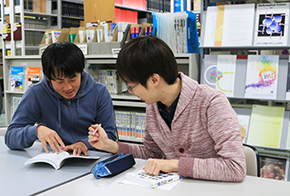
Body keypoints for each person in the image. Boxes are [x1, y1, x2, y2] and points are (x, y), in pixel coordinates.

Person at [88, 35, 246, 182]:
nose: (131, 92)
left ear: (154, 80)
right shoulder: (154, 106)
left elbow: (235, 167)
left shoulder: (211, 103)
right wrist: (110, 145)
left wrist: (174, 165)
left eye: (132, 86)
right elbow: (151, 153)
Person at [5, 42, 117, 155]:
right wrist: (36, 130)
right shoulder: (36, 93)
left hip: (91, 158)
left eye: (73, 79)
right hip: (53, 160)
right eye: (60, 81)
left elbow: (110, 137)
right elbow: (10, 137)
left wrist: (84, 144)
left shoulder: (99, 92)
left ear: (81, 73)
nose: (68, 87)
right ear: (48, 78)